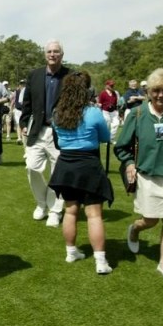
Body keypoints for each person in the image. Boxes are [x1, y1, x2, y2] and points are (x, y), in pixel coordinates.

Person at [115, 68, 163, 281]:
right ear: (149, 91)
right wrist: (129, 163)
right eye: (156, 90)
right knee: (150, 220)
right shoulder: (137, 114)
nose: (161, 95)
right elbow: (121, 147)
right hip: (148, 177)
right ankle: (135, 229)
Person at [48, 71, 113, 275]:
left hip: (66, 165)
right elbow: (105, 137)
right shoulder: (93, 112)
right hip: (88, 165)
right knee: (94, 215)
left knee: (70, 211)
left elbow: (58, 141)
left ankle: (71, 252)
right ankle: (100, 262)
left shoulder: (58, 113)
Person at [20, 39, 70, 227]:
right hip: (38, 130)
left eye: (56, 51)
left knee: (58, 173)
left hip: (61, 133)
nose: (52, 54)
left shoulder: (71, 76)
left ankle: (55, 210)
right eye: (49, 51)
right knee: (32, 167)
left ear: (61, 55)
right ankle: (42, 203)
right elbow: (27, 103)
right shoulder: (35, 75)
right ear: (45, 54)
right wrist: (23, 122)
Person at [12, 79, 26, 145]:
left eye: (23, 84)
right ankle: (19, 137)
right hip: (17, 110)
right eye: (21, 84)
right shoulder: (16, 92)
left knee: (23, 125)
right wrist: (11, 109)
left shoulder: (27, 91)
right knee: (18, 124)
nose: (22, 85)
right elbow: (13, 100)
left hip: (24, 110)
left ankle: (23, 139)